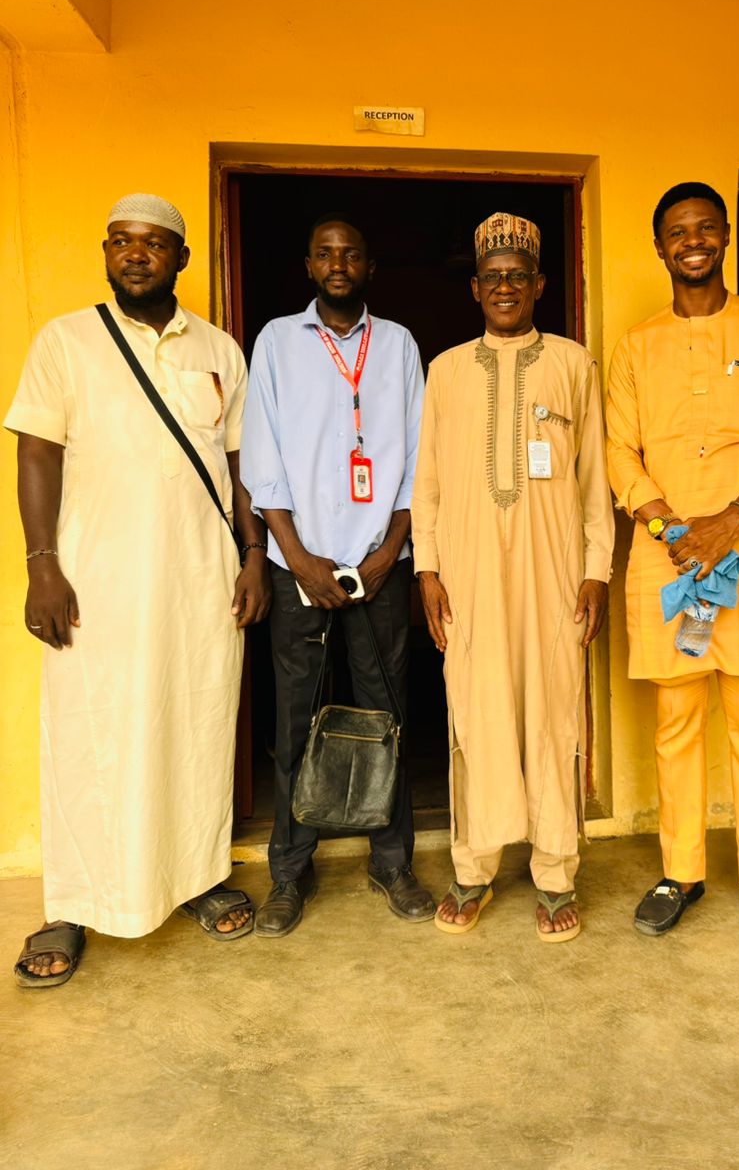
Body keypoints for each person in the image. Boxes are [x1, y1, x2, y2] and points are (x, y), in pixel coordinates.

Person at [7, 193, 270, 988]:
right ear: (106, 252)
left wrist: (253, 557)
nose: (134, 254)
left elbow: (240, 466)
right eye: (120, 241)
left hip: (199, 580)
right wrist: (42, 564)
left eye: (153, 243)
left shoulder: (219, 350)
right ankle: (74, 903)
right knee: (87, 736)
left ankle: (195, 877)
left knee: (193, 725)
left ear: (181, 258)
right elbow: (37, 452)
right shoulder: (65, 341)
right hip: (95, 582)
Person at [606, 182, 739, 960]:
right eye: (677, 232)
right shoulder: (636, 346)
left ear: (725, 235)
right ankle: (681, 874)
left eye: (704, 228)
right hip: (672, 558)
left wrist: (730, 521)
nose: (691, 241)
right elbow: (620, 450)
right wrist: (670, 527)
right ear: (659, 247)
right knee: (677, 721)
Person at [411, 211, 613, 942]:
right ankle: (474, 868)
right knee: (477, 712)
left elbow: (594, 479)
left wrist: (596, 570)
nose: (505, 288)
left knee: (553, 713)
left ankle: (555, 872)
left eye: (517, 277)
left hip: (554, 573)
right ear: (475, 288)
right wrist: (427, 568)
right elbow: (427, 480)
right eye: (492, 277)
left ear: (539, 285)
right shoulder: (445, 370)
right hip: (467, 574)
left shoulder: (572, 364)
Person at [241, 213, 434, 933]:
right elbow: (261, 457)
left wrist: (391, 551)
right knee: (296, 721)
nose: (338, 263)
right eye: (325, 253)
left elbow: (420, 455)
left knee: (387, 718)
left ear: (369, 267)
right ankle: (290, 871)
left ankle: (392, 861)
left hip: (381, 564)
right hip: (301, 565)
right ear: (309, 266)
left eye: (350, 253)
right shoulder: (276, 341)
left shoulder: (400, 344)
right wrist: (295, 555)